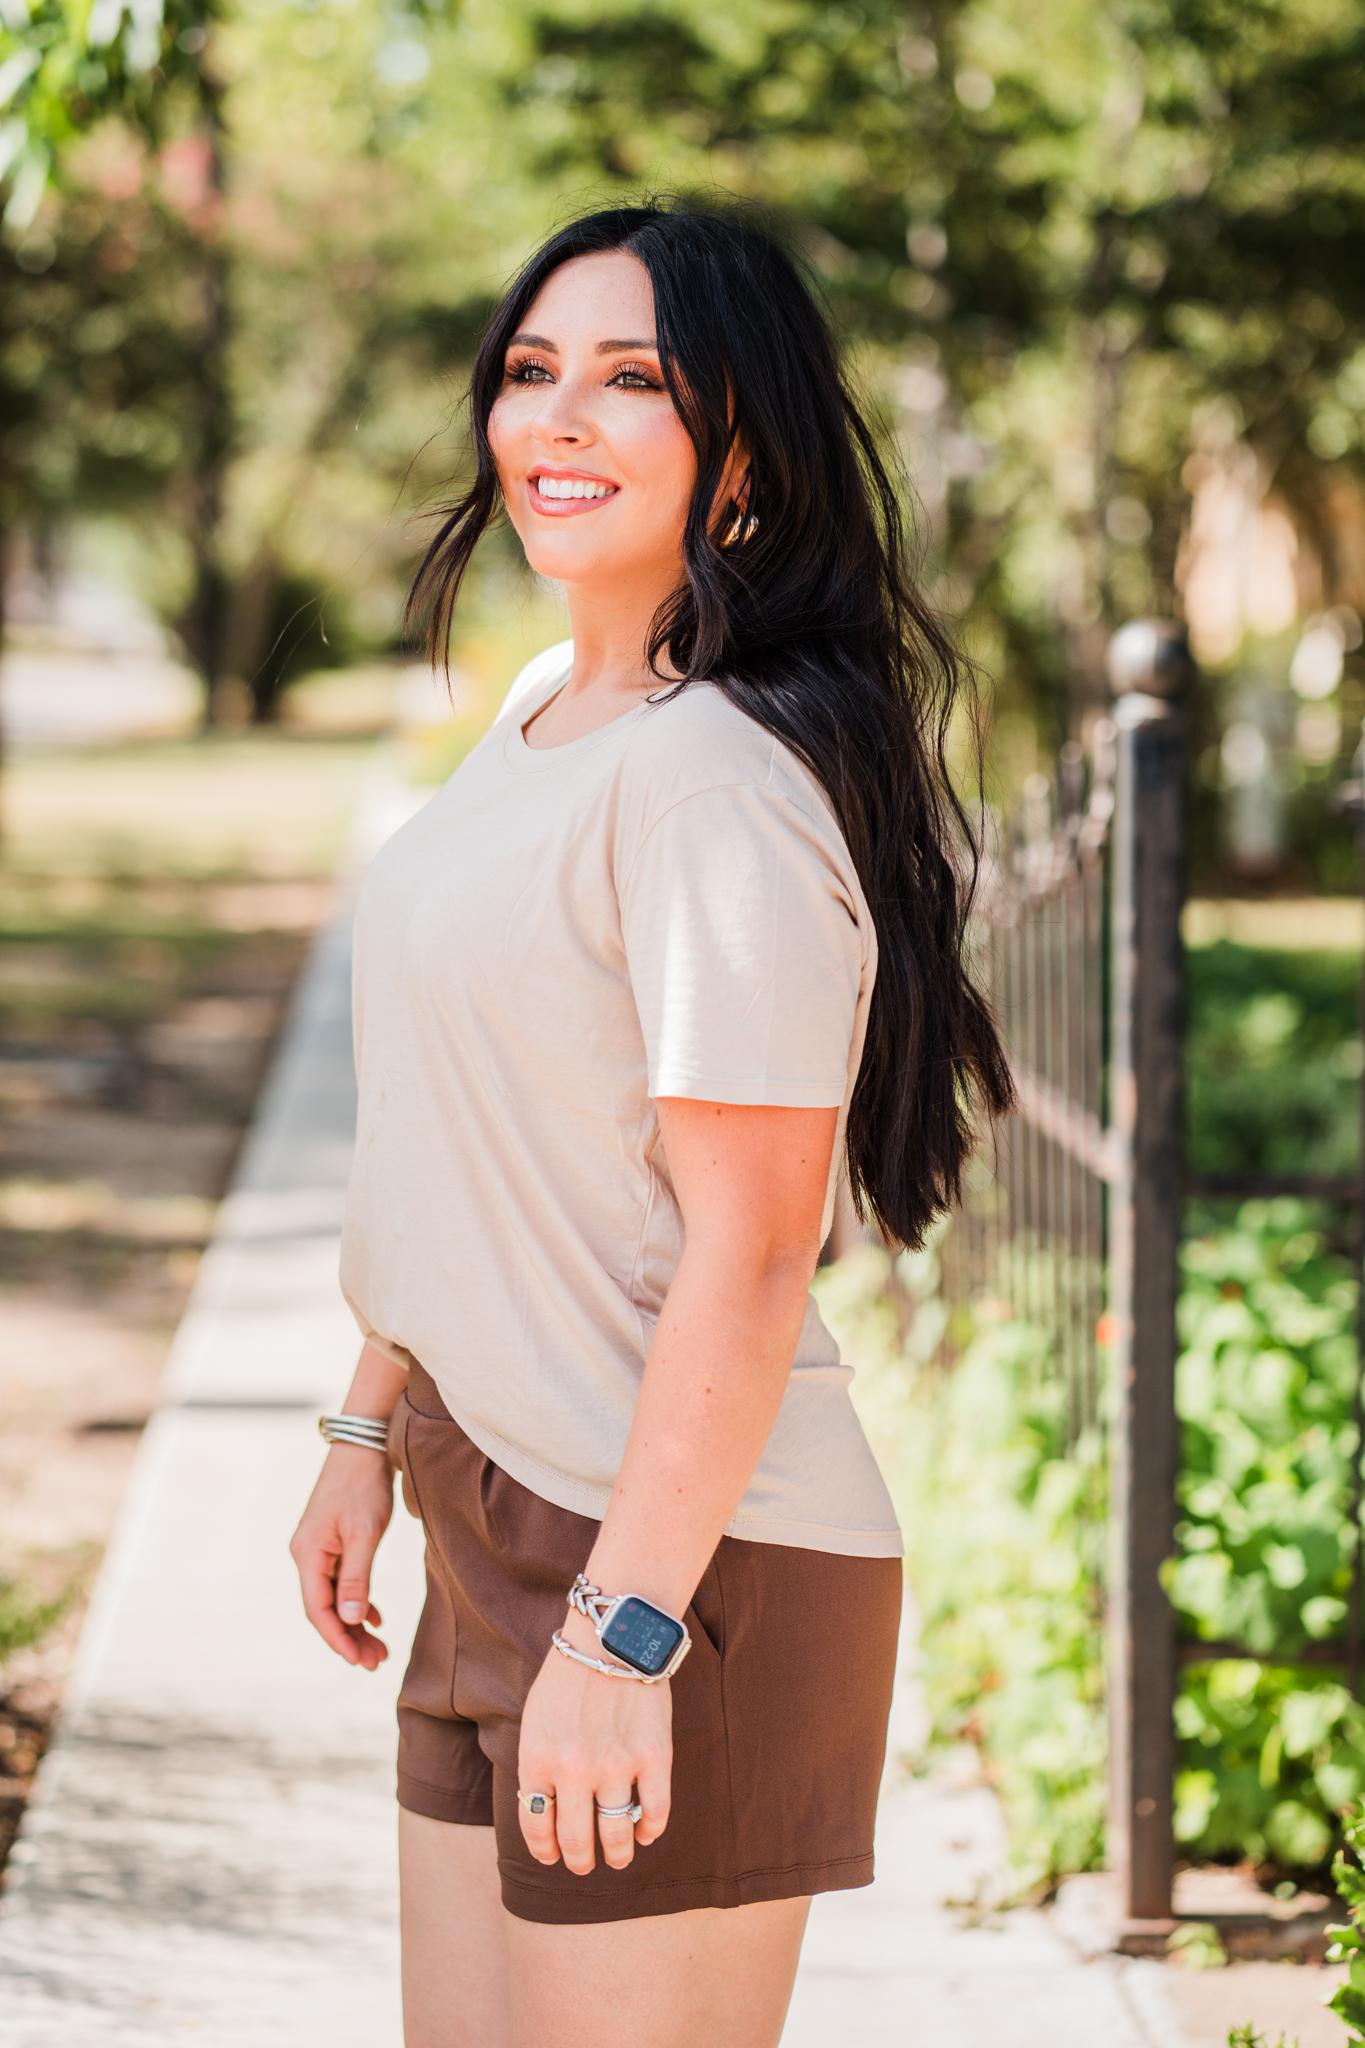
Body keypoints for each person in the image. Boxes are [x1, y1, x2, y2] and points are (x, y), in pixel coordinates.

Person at [289, 195, 1015, 2048]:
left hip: (672, 1558)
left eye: (632, 381)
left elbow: (754, 1247)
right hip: (488, 1499)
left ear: (741, 456)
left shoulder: (709, 786)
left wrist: (624, 1631)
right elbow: (467, 1112)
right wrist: (367, 1423)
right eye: (531, 373)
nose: (558, 420)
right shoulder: (549, 712)